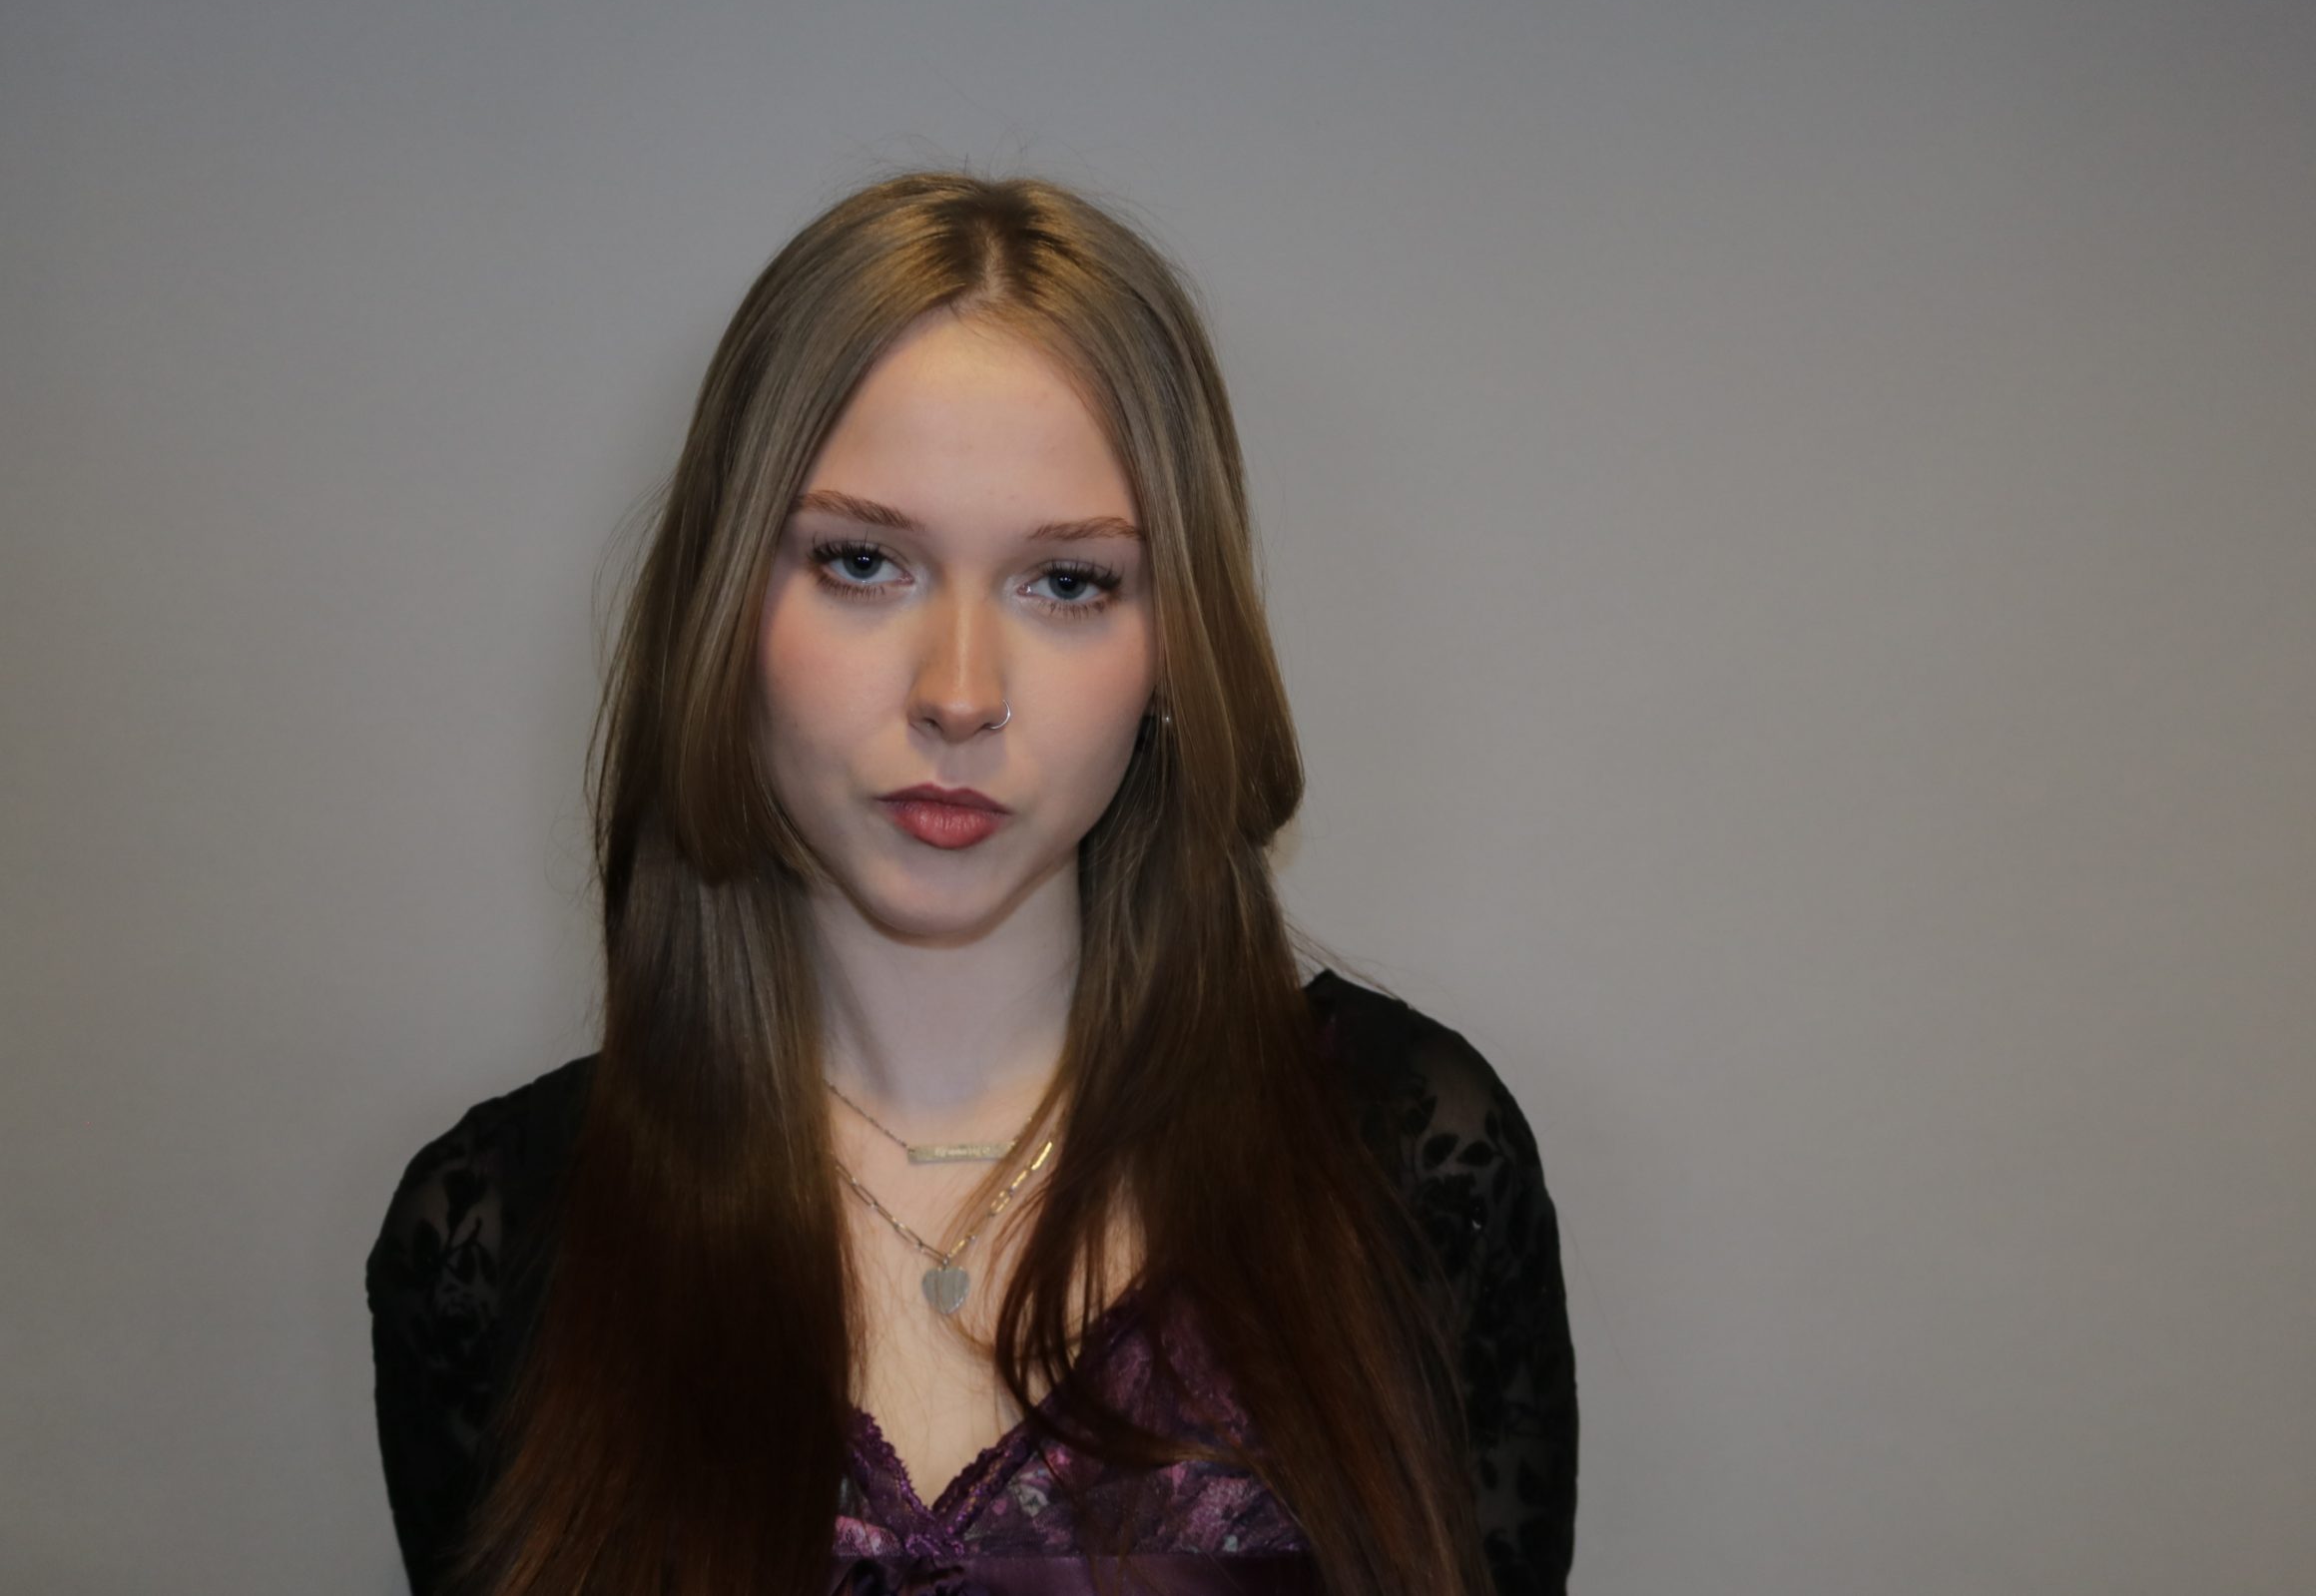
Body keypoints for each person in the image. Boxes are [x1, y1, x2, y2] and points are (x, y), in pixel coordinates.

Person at [364, 171, 1577, 1596]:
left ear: (1176, 645)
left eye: (1068, 583)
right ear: (724, 606)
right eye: (862, 561)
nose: (957, 692)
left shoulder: (1408, 1164)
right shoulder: (497, 1234)